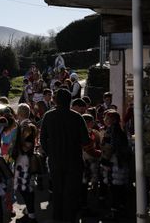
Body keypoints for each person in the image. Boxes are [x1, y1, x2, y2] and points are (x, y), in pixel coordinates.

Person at [40, 88, 91, 222]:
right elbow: (86, 141)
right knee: (71, 195)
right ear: (70, 101)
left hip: (55, 160)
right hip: (74, 162)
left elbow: (42, 138)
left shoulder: (48, 116)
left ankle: (58, 218)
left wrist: (50, 152)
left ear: (55, 100)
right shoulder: (77, 117)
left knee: (57, 192)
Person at [100, 110, 132, 219]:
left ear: (112, 119)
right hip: (120, 162)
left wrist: (104, 161)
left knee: (114, 188)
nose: (105, 120)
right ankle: (121, 208)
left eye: (107, 118)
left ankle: (115, 212)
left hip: (114, 163)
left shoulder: (111, 131)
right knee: (120, 187)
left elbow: (109, 147)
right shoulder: (120, 129)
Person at [12, 123, 39, 223]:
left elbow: (26, 148)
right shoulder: (28, 133)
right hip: (23, 164)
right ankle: (30, 213)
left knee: (27, 192)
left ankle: (31, 216)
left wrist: (18, 141)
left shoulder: (28, 135)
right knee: (27, 191)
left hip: (25, 166)